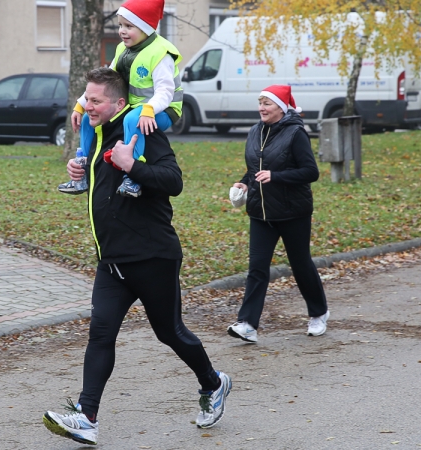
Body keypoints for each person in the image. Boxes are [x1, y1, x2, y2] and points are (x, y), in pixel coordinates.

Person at [44, 67, 230, 446]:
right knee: (100, 332)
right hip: (111, 260)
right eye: (87, 97)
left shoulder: (143, 129)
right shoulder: (94, 135)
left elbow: (173, 181)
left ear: (118, 103)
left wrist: (133, 165)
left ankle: (214, 383)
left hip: (152, 256)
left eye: (95, 100)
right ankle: (86, 416)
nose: (87, 105)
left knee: (170, 333)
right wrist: (80, 169)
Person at [227, 85, 329, 344]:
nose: (262, 108)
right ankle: (248, 324)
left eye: (267, 104)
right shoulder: (254, 131)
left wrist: (277, 177)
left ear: (281, 108)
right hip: (261, 212)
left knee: (300, 264)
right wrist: (244, 183)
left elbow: (310, 172)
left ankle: (318, 313)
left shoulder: (296, 133)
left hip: (293, 211)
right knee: (257, 269)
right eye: (260, 103)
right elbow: (255, 169)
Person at [57, 0, 183, 198]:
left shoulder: (160, 53)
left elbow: (165, 92)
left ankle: (132, 177)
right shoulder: (123, 50)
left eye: (129, 26)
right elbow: (106, 79)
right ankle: (83, 168)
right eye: (120, 25)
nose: (122, 31)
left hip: (163, 109)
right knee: (90, 121)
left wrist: (149, 109)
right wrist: (80, 105)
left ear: (145, 27)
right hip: (135, 106)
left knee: (131, 119)